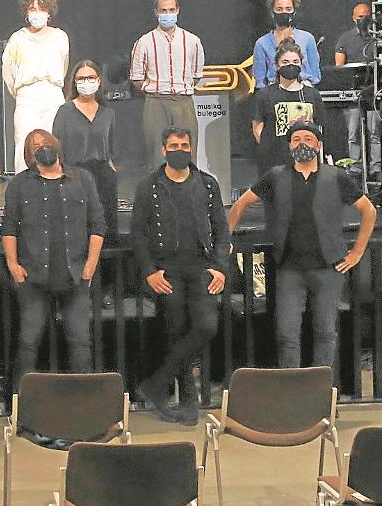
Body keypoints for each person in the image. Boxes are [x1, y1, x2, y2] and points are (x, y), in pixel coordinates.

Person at [228, 122, 375, 369]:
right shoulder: (276, 176)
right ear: (289, 146)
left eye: (308, 138)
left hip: (329, 267)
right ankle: (291, 392)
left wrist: (358, 251)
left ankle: (322, 393)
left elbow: (368, 211)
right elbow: (241, 203)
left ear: (318, 144)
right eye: (296, 139)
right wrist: (226, 238)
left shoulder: (336, 176)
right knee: (287, 336)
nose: (302, 144)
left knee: (326, 333)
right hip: (289, 269)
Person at [131, 128, 229, 426]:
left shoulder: (208, 184)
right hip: (166, 270)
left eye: (184, 145)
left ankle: (156, 383)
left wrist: (221, 267)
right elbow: (139, 233)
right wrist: (149, 271)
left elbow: (222, 230)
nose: (180, 149)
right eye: (174, 145)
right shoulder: (149, 186)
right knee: (177, 331)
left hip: (202, 268)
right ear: (163, 150)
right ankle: (187, 399)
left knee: (206, 326)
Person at [1, 130, 105, 380]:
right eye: (35, 145)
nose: (42, 147)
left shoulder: (83, 179)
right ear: (29, 154)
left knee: (80, 343)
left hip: (75, 274)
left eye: (46, 143)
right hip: (33, 276)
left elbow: (97, 223)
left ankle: (83, 405)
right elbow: (9, 226)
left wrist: (91, 264)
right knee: (28, 343)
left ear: (56, 145)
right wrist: (13, 264)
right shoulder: (19, 184)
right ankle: (22, 407)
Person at [129, 0, 205, 168]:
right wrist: (156, 89)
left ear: (178, 10)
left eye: (171, 10)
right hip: (156, 102)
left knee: (187, 151)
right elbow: (137, 77)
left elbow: (196, 74)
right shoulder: (144, 42)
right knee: (156, 153)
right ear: (156, 12)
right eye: (163, 10)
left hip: (183, 102)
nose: (168, 14)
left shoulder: (192, 41)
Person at [2, 0, 70, 173]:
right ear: (26, 13)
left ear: (49, 12)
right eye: (32, 9)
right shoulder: (17, 38)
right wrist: (21, 93)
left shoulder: (60, 37)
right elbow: (8, 71)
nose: (37, 13)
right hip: (27, 96)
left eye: (42, 8)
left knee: (54, 141)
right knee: (25, 142)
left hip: (52, 94)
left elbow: (63, 66)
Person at [53, 60, 119, 241]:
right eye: (81, 78)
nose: (86, 82)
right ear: (74, 82)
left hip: (103, 176)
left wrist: (111, 170)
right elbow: (57, 146)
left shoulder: (108, 113)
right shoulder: (65, 111)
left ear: (98, 81)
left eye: (90, 77)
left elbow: (111, 146)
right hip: (76, 174)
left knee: (106, 231)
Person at [252, 38, 329, 171]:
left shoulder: (312, 94)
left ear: (301, 65)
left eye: (295, 62)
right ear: (277, 65)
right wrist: (268, 150)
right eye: (285, 62)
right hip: (274, 162)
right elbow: (257, 127)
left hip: (305, 161)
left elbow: (320, 127)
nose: (290, 65)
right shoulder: (265, 95)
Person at [334, 2, 379, 177]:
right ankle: (355, 167)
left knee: (374, 132)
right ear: (353, 18)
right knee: (353, 133)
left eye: (367, 16)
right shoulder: (345, 39)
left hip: (373, 93)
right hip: (352, 95)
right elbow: (339, 67)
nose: (364, 19)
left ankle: (376, 167)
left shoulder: (376, 38)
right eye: (360, 17)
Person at [252, 0, 321, 88]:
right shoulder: (261, 43)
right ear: (272, 12)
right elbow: (259, 80)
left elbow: (315, 75)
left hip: (304, 91)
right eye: (279, 9)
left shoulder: (307, 39)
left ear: (294, 11)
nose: (284, 12)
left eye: (288, 9)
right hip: (274, 92)